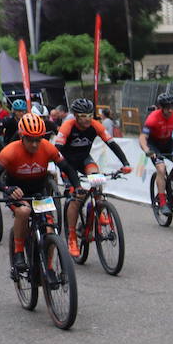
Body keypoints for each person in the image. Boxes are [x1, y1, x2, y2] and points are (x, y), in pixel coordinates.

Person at [0, 112, 80, 277]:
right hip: (16, 192)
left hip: (39, 192)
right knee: (24, 211)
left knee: (50, 230)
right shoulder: (10, 151)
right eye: (31, 139)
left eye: (39, 139)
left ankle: (49, 267)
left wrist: (77, 187)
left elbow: (67, 168)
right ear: (22, 136)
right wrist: (7, 189)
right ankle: (19, 251)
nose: (35, 144)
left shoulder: (47, 147)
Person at [54, 98, 132, 256]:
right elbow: (57, 150)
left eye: (90, 115)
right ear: (75, 115)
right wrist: (71, 176)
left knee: (96, 177)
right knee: (76, 198)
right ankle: (72, 238)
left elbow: (112, 144)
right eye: (83, 115)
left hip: (84, 159)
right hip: (67, 163)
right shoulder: (67, 126)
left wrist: (125, 163)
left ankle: (99, 207)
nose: (87, 118)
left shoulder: (95, 125)